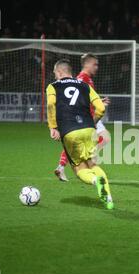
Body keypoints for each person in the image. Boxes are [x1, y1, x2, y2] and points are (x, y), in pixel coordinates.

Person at [47, 59, 114, 209]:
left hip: (70, 131)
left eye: (54, 73)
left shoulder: (53, 86)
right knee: (92, 163)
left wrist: (53, 127)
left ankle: (96, 181)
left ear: (59, 72)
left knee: (79, 169)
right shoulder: (84, 85)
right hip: (89, 129)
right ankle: (108, 198)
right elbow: (101, 108)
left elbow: (51, 104)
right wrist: (93, 121)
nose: (54, 76)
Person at [54, 53, 111, 182]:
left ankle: (65, 165)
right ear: (87, 64)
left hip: (90, 114)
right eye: (94, 64)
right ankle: (84, 163)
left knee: (104, 139)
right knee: (103, 138)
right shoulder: (81, 78)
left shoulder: (87, 78)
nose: (97, 67)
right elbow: (76, 99)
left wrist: (99, 101)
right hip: (87, 117)